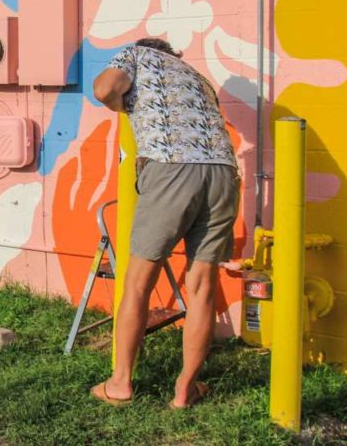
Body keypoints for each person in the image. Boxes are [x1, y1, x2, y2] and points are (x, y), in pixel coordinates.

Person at [90, 37, 239, 409]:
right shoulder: (196, 77)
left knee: (139, 280)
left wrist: (119, 106)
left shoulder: (137, 54)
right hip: (223, 172)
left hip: (172, 166)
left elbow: (104, 88)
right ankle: (185, 388)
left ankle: (121, 383)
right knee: (202, 285)